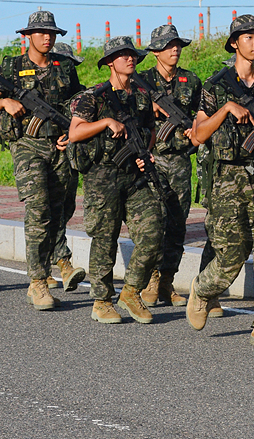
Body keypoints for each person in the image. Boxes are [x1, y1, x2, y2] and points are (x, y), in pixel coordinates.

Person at [185, 15, 254, 349]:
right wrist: (226, 109)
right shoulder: (215, 87)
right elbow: (197, 135)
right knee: (233, 254)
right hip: (229, 179)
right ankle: (202, 289)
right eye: (248, 38)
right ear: (234, 43)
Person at [0, 11, 80, 311]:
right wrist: (5, 101)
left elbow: (78, 106)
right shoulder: (12, 66)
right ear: (28, 36)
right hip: (27, 145)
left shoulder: (64, 67)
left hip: (58, 147)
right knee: (38, 210)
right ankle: (37, 282)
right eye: (40, 32)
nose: (47, 37)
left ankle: (56, 263)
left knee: (58, 208)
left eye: (51, 32)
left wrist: (70, 135)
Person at [68, 36, 163, 324]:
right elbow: (74, 132)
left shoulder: (142, 95)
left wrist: (144, 151)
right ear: (110, 62)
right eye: (122, 55)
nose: (130, 59)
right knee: (105, 239)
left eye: (132, 54)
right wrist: (106, 122)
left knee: (153, 229)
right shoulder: (92, 96)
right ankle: (101, 301)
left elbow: (150, 129)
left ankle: (131, 290)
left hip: (134, 176)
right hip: (102, 176)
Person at [138, 24, 202, 308]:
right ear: (154, 52)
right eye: (167, 45)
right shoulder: (141, 82)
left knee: (177, 223)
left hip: (179, 161)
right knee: (155, 223)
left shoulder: (191, 80)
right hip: (151, 160)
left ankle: (166, 281)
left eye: (177, 45)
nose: (174, 49)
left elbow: (203, 115)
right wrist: (146, 108)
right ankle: (150, 280)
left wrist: (195, 132)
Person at [44, 41, 87, 292]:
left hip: (69, 159)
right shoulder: (44, 91)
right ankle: (62, 262)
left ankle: (47, 260)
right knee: (50, 209)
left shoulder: (79, 94)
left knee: (65, 208)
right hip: (43, 155)